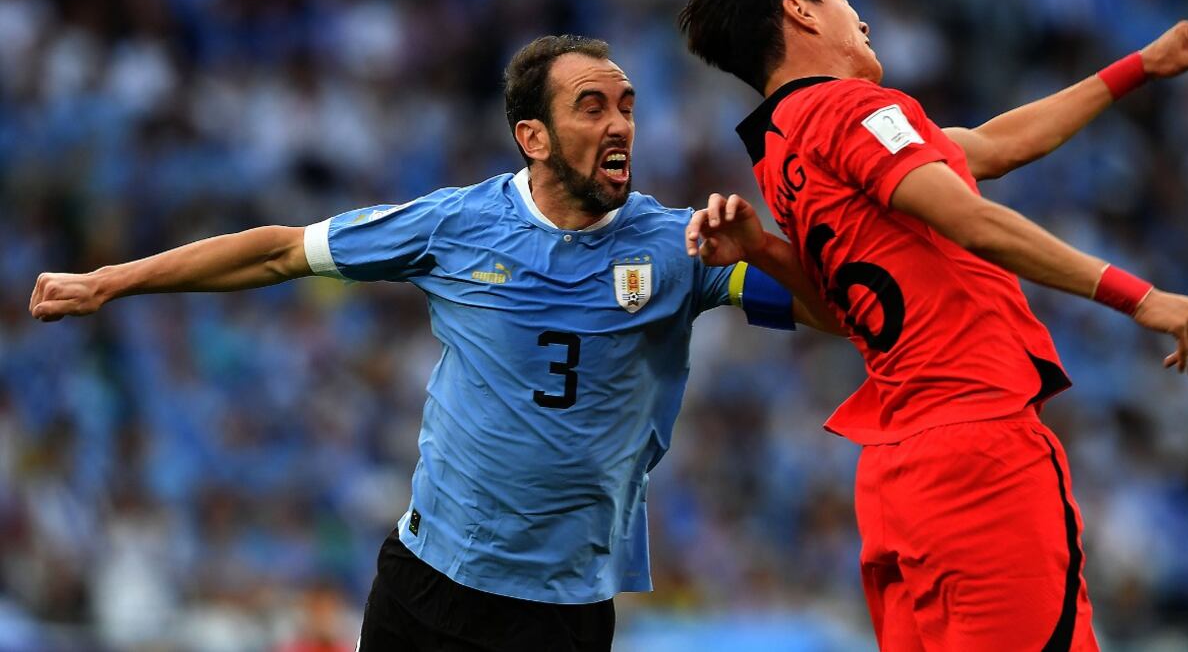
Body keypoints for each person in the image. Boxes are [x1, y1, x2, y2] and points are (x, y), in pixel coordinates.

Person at [28, 34, 835, 652]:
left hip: (564, 609)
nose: (620, 122)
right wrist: (110, 281)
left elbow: (837, 315)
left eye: (626, 104)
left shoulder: (678, 246)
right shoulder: (455, 226)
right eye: (592, 105)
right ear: (535, 135)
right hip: (427, 583)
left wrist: (762, 250)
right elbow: (279, 249)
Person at [677, 0, 1188, 651]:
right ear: (801, 12)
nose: (859, 14)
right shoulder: (850, 111)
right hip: (978, 449)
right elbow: (970, 218)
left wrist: (1139, 67)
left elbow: (988, 148)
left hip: (899, 473)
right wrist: (1137, 295)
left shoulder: (783, 151)